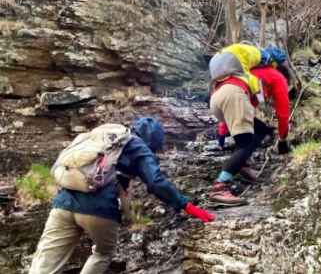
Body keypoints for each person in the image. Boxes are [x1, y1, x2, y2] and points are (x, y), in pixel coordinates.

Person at [29, 117, 215, 274]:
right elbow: (156, 182)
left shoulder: (107, 138)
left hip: (64, 202)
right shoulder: (138, 145)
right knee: (103, 253)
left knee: (45, 261)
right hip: (99, 209)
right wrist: (185, 205)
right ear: (153, 140)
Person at [208, 43, 291, 206]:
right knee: (246, 142)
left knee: (260, 130)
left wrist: (222, 131)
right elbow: (283, 111)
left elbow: (239, 109)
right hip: (234, 95)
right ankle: (220, 187)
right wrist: (283, 139)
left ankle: (243, 165)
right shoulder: (276, 76)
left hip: (217, 96)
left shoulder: (249, 72)